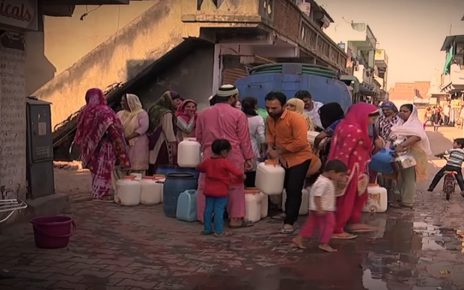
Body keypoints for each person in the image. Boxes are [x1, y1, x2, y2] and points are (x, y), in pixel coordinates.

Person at [195, 84, 255, 228]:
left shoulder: (203, 113)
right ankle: (236, 219)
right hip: (232, 154)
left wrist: (208, 149)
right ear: (232, 97)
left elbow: (198, 137)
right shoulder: (238, 114)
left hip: (211, 154)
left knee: (205, 185)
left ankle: (204, 218)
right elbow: (244, 139)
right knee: (235, 186)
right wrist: (248, 158)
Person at [328, 103, 380, 239]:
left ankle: (352, 221)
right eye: (371, 119)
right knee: (346, 198)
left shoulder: (344, 126)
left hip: (356, 168)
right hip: (350, 170)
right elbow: (344, 153)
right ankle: (337, 229)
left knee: (359, 196)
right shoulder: (354, 131)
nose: (371, 122)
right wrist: (342, 173)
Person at [265, 91, 313, 234]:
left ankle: (290, 222)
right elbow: (269, 135)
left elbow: (301, 142)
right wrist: (269, 148)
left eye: (274, 108)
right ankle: (287, 212)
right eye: (268, 107)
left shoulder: (296, 119)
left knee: (293, 189)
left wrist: (279, 151)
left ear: (284, 106)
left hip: (300, 158)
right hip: (282, 159)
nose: (270, 111)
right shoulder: (269, 119)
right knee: (283, 187)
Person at [74, 88, 130, 200]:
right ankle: (102, 194)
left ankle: (97, 192)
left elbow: (80, 132)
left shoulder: (84, 112)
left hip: (90, 148)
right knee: (104, 170)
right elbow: (113, 130)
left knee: (95, 171)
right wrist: (121, 148)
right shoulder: (105, 111)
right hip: (105, 146)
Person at [292, 160, 348, 252]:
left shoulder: (324, 180)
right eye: (341, 175)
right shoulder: (323, 182)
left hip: (319, 208)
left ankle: (298, 238)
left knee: (311, 225)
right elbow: (317, 195)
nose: (341, 177)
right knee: (329, 225)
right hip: (323, 209)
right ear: (332, 172)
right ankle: (324, 243)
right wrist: (320, 208)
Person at [198, 139, 245, 236]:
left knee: (208, 209)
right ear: (224, 151)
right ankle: (219, 231)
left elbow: (199, 168)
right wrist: (242, 176)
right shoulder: (224, 162)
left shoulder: (207, 162)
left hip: (209, 191)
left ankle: (207, 229)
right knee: (218, 210)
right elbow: (237, 172)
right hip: (221, 191)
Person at [390, 104, 432, 208]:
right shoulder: (401, 123)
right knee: (401, 176)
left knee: (409, 177)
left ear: (412, 113)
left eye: (405, 111)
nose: (402, 113)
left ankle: (407, 201)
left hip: (411, 154)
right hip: (401, 154)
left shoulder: (415, 124)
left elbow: (418, 136)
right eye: (401, 111)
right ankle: (400, 198)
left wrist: (402, 145)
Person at [116, 93, 149, 175]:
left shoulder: (141, 114)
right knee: (125, 166)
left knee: (137, 166)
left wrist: (129, 137)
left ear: (130, 102)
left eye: (124, 101)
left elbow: (143, 127)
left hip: (138, 143)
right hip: (124, 143)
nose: (121, 103)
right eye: (121, 101)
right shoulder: (120, 114)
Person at [147, 91, 178, 174]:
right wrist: (174, 144)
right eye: (176, 100)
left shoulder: (153, 108)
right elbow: (168, 131)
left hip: (151, 140)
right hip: (162, 142)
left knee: (152, 162)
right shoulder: (167, 113)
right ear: (169, 100)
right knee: (162, 165)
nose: (178, 102)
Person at [242, 97, 266, 187]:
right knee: (251, 170)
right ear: (254, 105)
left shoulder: (239, 116)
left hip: (238, 146)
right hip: (252, 146)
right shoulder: (258, 118)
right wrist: (263, 151)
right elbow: (262, 136)